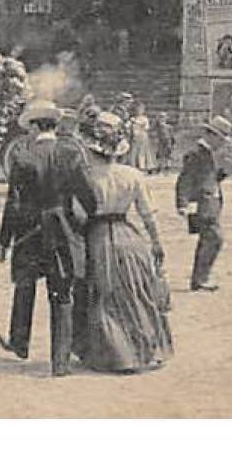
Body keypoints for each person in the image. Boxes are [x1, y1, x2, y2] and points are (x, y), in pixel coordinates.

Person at [0, 100, 90, 376]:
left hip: (29, 232)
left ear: (36, 126)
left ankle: (20, 342)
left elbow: (12, 204)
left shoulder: (23, 157)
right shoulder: (70, 153)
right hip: (62, 232)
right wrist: (89, 219)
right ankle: (60, 362)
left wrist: (3, 241)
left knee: (25, 285)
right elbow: (86, 193)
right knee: (61, 294)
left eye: (30, 128)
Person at [75, 110, 173, 373]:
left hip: (96, 236)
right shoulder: (133, 175)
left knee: (103, 296)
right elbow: (148, 215)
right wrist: (156, 243)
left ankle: (115, 355)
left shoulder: (85, 176)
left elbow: (79, 214)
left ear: (92, 148)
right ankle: (146, 351)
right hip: (129, 237)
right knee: (136, 293)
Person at [175, 115, 230, 292]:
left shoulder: (210, 154)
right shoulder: (196, 154)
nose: (222, 143)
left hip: (210, 203)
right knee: (214, 238)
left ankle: (200, 278)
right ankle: (200, 278)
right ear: (211, 135)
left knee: (208, 239)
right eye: (221, 139)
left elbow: (213, 177)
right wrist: (182, 203)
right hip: (201, 204)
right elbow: (185, 179)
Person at [124, 102, 155, 173]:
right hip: (134, 137)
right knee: (133, 151)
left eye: (140, 110)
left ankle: (143, 166)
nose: (139, 111)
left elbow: (147, 127)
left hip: (143, 136)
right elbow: (127, 126)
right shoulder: (132, 119)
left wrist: (138, 124)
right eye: (137, 110)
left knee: (143, 151)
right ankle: (133, 165)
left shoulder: (144, 119)